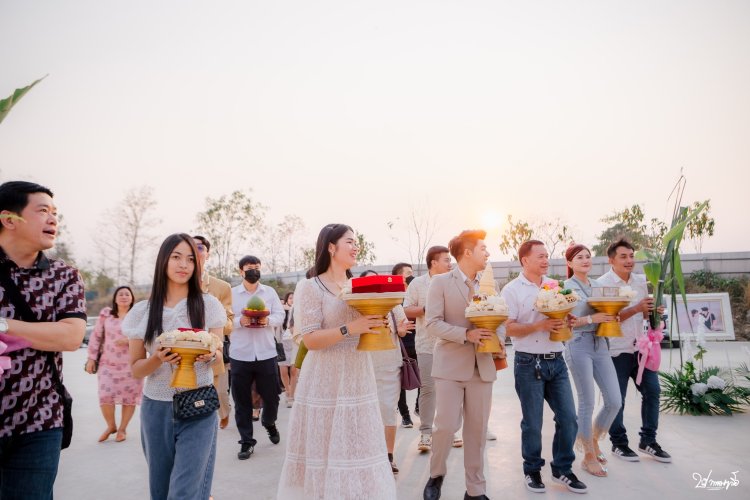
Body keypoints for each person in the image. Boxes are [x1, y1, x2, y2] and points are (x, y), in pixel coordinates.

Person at [277, 223, 396, 499]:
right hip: (324, 377)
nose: (356, 247)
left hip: (358, 374)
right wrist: (350, 329)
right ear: (331, 247)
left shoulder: (360, 286)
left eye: (357, 242)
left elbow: (370, 326)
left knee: (358, 444)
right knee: (324, 446)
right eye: (349, 242)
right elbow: (310, 340)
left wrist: (379, 326)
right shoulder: (309, 286)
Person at [122, 233, 226, 500]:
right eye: (176, 257)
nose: (184, 265)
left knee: (184, 492)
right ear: (163, 261)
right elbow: (135, 369)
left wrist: (210, 355)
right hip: (156, 408)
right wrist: (157, 358)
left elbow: (219, 357)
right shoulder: (143, 311)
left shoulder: (208, 305)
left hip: (199, 404)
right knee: (161, 491)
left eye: (191, 259)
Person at [0, 181, 87, 500]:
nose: (53, 219)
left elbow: (70, 335)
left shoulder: (64, 276)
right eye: (42, 211)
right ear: (9, 219)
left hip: (40, 416)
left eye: (55, 213)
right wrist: (37, 333)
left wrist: (4, 325)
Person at [501, 240, 587, 494]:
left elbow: (559, 314)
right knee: (533, 423)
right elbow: (508, 327)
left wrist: (566, 318)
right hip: (528, 362)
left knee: (569, 418)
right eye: (540, 256)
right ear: (524, 260)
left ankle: (562, 468)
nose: (545, 260)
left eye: (547, 255)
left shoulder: (554, 285)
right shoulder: (512, 290)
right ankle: (532, 470)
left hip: (557, 360)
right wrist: (538, 326)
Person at [422, 230, 498, 500]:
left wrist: (497, 342)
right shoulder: (440, 282)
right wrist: (466, 334)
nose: (488, 253)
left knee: (477, 430)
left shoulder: (490, 284)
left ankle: (475, 490)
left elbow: (498, 320)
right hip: (450, 366)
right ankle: (436, 475)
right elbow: (432, 323)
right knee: (444, 426)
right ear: (467, 252)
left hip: (483, 366)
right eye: (483, 248)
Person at [599, 239, 671, 463]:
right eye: (623, 256)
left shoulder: (642, 281)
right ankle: (619, 444)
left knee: (653, 391)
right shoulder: (603, 284)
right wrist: (637, 308)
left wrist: (652, 311)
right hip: (615, 350)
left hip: (641, 348)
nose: (629, 260)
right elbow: (609, 319)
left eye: (631, 256)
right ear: (611, 260)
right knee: (616, 400)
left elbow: (644, 315)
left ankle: (648, 440)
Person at [563, 244, 621, 477]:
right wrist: (591, 318)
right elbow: (567, 322)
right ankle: (587, 456)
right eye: (579, 257)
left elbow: (610, 311)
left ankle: (594, 439)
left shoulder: (598, 286)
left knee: (614, 401)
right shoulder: (565, 288)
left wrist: (612, 315)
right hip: (578, 346)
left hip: (601, 345)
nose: (585, 260)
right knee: (586, 402)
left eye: (588, 256)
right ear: (569, 263)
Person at [230, 255, 285, 460]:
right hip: (240, 354)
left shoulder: (269, 292)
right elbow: (224, 319)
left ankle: (269, 422)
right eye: (249, 267)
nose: (254, 270)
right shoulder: (232, 294)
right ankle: (246, 442)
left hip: (266, 353)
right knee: (241, 401)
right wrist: (239, 321)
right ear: (241, 271)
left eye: (257, 267)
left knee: (272, 397)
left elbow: (280, 316)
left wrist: (267, 319)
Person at [403, 245, 452, 453]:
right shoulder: (417, 284)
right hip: (426, 345)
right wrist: (426, 309)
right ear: (434, 262)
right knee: (428, 389)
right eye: (446, 260)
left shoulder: (453, 283)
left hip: (452, 345)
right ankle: (425, 433)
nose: (450, 264)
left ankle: (451, 430)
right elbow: (406, 309)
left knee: (451, 390)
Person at [85, 286, 144, 442]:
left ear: (132, 298)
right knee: (105, 396)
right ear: (115, 298)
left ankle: (122, 429)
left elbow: (147, 334)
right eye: (120, 294)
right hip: (107, 364)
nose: (124, 296)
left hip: (132, 364)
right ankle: (111, 425)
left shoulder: (138, 316)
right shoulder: (106, 314)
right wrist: (91, 358)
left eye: (127, 294)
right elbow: (96, 336)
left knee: (129, 398)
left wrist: (129, 339)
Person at [192, 235, 235, 430]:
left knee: (219, 395)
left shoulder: (221, 287)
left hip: (212, 351)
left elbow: (229, 324)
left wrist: (210, 322)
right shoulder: (176, 283)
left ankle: (224, 413)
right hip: (183, 352)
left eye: (200, 247)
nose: (195, 250)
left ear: (207, 254)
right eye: (191, 246)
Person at [371, 303, 411, 474]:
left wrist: (401, 329)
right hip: (364, 367)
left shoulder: (394, 305)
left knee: (388, 410)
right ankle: (371, 455)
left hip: (390, 366)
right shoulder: (357, 305)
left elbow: (402, 331)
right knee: (369, 412)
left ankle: (388, 456)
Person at [392, 262, 418, 428]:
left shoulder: (417, 292)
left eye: (411, 272)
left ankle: (419, 407)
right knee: (400, 380)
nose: (411, 275)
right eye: (407, 273)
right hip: (400, 341)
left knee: (426, 374)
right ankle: (405, 415)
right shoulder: (393, 296)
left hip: (418, 339)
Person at [278, 292, 299, 408]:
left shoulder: (296, 310)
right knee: (283, 371)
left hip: (293, 342)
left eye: (293, 297)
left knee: (294, 370)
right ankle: (287, 390)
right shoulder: (281, 310)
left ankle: (291, 395)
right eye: (290, 297)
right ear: (286, 299)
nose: (292, 299)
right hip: (281, 343)